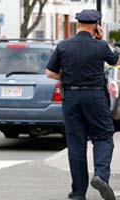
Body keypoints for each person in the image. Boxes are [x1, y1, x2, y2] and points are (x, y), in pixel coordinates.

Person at [45, 9, 120, 200]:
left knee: (76, 144)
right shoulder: (100, 46)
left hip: (71, 97)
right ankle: (101, 176)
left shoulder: (63, 46)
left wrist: (69, 77)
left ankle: (78, 192)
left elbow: (49, 73)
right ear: (96, 26)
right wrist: (104, 42)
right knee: (103, 136)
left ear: (78, 25)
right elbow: (117, 61)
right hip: (94, 96)